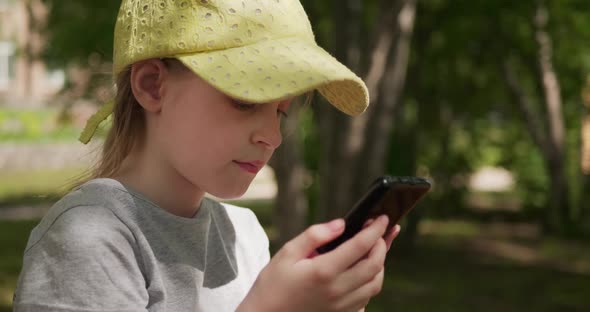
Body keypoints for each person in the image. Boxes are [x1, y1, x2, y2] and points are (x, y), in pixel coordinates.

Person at [13, 0, 401, 311]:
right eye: (246, 100)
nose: (272, 136)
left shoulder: (244, 237)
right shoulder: (90, 239)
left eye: (281, 110)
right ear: (152, 86)